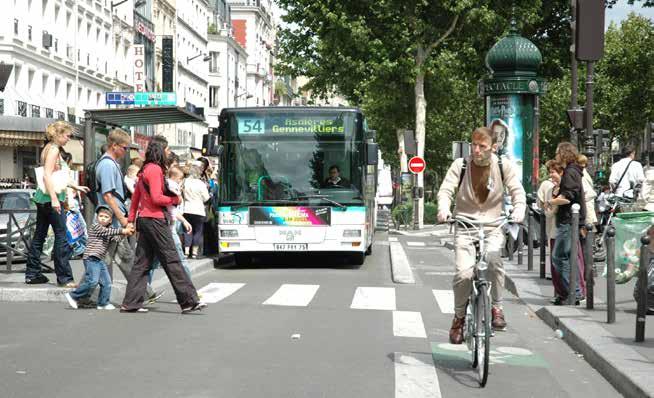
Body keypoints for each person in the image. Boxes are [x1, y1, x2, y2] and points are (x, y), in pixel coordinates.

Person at [437, 127, 526, 344]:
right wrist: (443, 208)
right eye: (473, 145)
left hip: (493, 226)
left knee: (494, 262)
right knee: (463, 274)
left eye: (482, 146)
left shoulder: (502, 166)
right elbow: (446, 190)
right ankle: (459, 318)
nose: (476, 150)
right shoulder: (461, 165)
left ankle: (497, 307)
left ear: (493, 147)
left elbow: (517, 191)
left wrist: (519, 209)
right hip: (465, 226)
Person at [121, 137, 205, 313]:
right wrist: (175, 198)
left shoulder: (145, 170)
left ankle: (131, 302)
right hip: (155, 220)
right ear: (160, 150)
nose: (169, 153)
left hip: (144, 219)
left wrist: (130, 220)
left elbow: (136, 198)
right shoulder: (155, 170)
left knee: (141, 263)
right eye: (167, 150)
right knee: (172, 259)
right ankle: (189, 300)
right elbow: (157, 198)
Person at [96, 128, 161, 303]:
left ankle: (86, 294)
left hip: (112, 220)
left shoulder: (110, 163)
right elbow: (108, 196)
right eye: (124, 148)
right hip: (113, 220)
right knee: (121, 258)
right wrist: (123, 219)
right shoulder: (108, 165)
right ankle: (144, 292)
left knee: (107, 259)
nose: (126, 152)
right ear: (114, 145)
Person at [25, 121, 89, 286]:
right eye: (67, 135)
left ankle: (32, 273)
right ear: (59, 134)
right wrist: (54, 198)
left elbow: (55, 176)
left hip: (42, 198)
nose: (68, 139)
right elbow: (47, 175)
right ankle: (65, 278)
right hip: (51, 199)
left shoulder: (48, 148)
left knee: (39, 235)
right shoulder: (53, 150)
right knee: (62, 236)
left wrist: (75, 186)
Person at [64, 206, 134, 310]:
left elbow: (116, 238)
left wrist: (127, 233)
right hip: (91, 258)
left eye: (106, 217)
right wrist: (123, 230)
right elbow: (109, 232)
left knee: (107, 282)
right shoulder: (95, 227)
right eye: (101, 216)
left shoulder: (109, 230)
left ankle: (103, 303)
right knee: (92, 281)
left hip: (100, 260)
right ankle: (73, 296)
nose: (103, 218)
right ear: (97, 217)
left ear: (110, 220)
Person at [546, 142, 587, 305]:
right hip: (572, 220)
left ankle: (574, 291)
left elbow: (568, 196)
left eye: (557, 153)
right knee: (568, 257)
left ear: (563, 154)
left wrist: (552, 201)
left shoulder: (570, 172)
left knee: (558, 256)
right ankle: (574, 291)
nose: (556, 156)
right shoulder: (576, 171)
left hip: (568, 220)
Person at [148, 165, 193, 283]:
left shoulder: (165, 185)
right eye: (180, 178)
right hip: (169, 227)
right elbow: (172, 208)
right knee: (180, 259)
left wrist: (183, 220)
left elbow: (171, 208)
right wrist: (183, 219)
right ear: (175, 177)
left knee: (153, 260)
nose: (181, 181)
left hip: (161, 226)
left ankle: (146, 288)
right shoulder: (172, 187)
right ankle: (190, 288)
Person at [537, 160, 563, 280]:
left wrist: (548, 205)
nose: (551, 175)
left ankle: (559, 283)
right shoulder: (554, 187)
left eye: (552, 172)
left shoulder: (546, 186)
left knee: (555, 252)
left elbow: (540, 202)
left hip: (555, 224)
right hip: (562, 225)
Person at [182, 164, 211, 259]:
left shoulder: (185, 182)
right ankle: (194, 252)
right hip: (198, 210)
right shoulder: (201, 184)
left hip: (186, 209)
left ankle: (186, 251)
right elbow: (206, 198)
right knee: (198, 231)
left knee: (188, 230)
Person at [577, 155, 598, 226]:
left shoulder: (581, 174)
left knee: (588, 225)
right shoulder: (584, 173)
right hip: (588, 202)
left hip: (586, 202)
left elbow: (585, 190)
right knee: (589, 225)